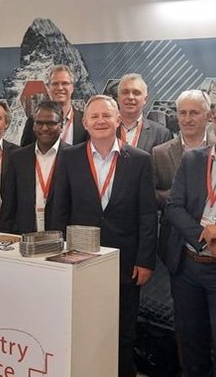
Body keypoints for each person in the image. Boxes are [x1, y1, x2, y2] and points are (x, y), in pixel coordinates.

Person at [51, 94, 157, 377]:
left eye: (106, 115)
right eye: (94, 116)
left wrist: (145, 260)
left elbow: (148, 215)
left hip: (125, 262)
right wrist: (59, 255)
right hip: (80, 261)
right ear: (84, 123)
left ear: (118, 119)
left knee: (123, 331)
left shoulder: (140, 160)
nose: (100, 121)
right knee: (83, 327)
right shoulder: (69, 157)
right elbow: (60, 209)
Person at [165, 96, 216, 377]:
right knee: (190, 344)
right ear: (212, 119)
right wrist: (204, 237)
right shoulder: (193, 159)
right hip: (188, 267)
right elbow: (174, 206)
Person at [152, 89, 213, 260]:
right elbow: (150, 195)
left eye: (194, 113)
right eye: (182, 113)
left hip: (215, 242)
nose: (187, 119)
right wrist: (177, 196)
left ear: (208, 116)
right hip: (173, 245)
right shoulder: (160, 153)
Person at [0, 100, 65, 234]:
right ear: (33, 126)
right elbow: (9, 204)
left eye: (51, 123)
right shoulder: (18, 158)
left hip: (61, 236)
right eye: (39, 123)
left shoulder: (73, 156)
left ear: (61, 126)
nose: (44, 128)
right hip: (24, 235)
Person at [20, 64, 88, 146]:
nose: (60, 88)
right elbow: (25, 151)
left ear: (72, 87)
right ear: (48, 88)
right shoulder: (33, 121)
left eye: (65, 83)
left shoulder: (85, 121)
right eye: (55, 84)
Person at [117, 73, 172, 153]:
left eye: (136, 93)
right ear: (118, 98)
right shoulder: (104, 129)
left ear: (145, 99)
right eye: (125, 92)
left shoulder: (161, 134)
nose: (130, 97)